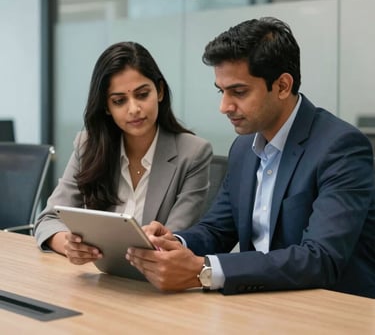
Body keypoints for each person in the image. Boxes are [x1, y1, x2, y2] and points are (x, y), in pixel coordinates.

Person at [126, 17, 375, 298]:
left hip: (329, 309)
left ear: (282, 86)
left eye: (239, 92)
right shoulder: (244, 147)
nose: (224, 106)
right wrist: (174, 242)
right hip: (260, 303)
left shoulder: (340, 147)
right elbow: (217, 230)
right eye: (222, 91)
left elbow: (320, 258)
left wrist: (203, 269)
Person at [34, 41, 212, 265]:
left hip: (152, 283)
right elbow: (48, 219)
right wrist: (69, 245)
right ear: (107, 107)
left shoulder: (193, 153)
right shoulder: (88, 145)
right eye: (119, 101)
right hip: (97, 279)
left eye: (142, 94)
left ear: (160, 91)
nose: (134, 109)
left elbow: (172, 242)